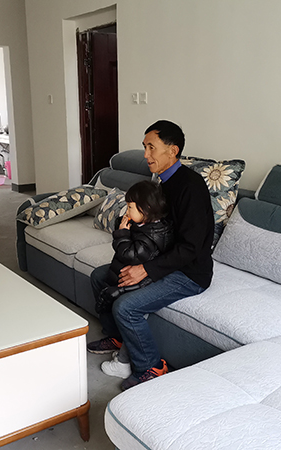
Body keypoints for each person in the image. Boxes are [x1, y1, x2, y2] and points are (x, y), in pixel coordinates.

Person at [87, 120, 215, 390]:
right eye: (144, 147)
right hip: (161, 259)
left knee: (126, 307)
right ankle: (118, 337)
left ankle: (151, 366)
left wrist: (146, 269)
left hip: (189, 272)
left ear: (173, 150)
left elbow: (190, 247)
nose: (146, 155)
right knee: (100, 277)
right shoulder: (161, 182)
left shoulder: (190, 187)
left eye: (151, 147)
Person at [95, 180, 174, 314]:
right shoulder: (142, 223)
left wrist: (122, 234)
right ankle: (107, 323)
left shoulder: (153, 235)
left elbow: (130, 256)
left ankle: (111, 324)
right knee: (99, 281)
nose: (127, 211)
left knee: (109, 298)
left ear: (146, 208)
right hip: (122, 269)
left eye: (130, 207)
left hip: (135, 281)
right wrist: (122, 225)